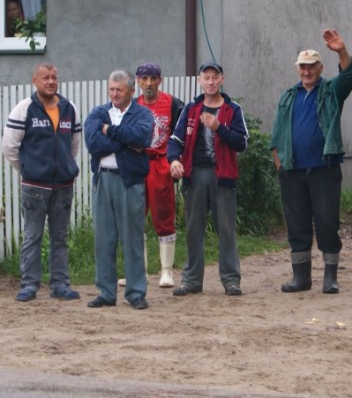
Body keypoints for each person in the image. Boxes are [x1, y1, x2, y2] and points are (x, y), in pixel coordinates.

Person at [271, 29, 352, 294]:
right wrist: (278, 162)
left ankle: (330, 278)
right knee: (296, 224)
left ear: (320, 68)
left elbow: (348, 76)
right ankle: (301, 278)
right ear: (298, 69)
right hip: (292, 171)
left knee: (327, 223)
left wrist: (341, 51)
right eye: (303, 67)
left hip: (324, 169)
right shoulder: (288, 95)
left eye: (312, 66)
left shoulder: (331, 90)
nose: (307, 71)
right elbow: (277, 131)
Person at [2, 63, 82, 302]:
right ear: (34, 81)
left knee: (60, 237)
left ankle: (60, 284)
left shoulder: (69, 108)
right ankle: (29, 285)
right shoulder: (24, 109)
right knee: (32, 236)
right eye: (45, 77)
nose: (51, 82)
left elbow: (74, 144)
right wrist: (28, 169)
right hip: (34, 186)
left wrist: (65, 166)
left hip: (63, 186)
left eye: (54, 77)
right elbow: (9, 147)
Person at [167, 62, 249, 296]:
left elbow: (242, 143)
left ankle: (231, 280)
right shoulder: (191, 108)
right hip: (195, 175)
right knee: (193, 229)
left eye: (215, 77)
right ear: (199, 81)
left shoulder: (233, 109)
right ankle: (192, 280)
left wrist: (219, 127)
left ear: (222, 79)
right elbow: (176, 141)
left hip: (223, 176)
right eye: (206, 77)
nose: (211, 82)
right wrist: (174, 161)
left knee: (226, 229)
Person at [84, 70, 153, 310]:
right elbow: (93, 143)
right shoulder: (98, 113)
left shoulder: (142, 114)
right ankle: (106, 292)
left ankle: (136, 292)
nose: (114, 94)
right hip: (103, 179)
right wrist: (125, 143)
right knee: (104, 239)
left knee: (132, 238)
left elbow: (141, 138)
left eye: (119, 90)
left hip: (130, 181)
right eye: (111, 89)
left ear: (131, 91)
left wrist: (110, 131)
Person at [118, 63, 184, 288]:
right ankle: (139, 272)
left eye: (153, 78)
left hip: (161, 164)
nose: (148, 83)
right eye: (144, 78)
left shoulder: (173, 104)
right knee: (134, 217)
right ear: (137, 81)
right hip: (138, 163)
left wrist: (176, 161)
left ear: (160, 80)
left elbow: (180, 135)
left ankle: (167, 271)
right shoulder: (132, 105)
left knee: (164, 215)